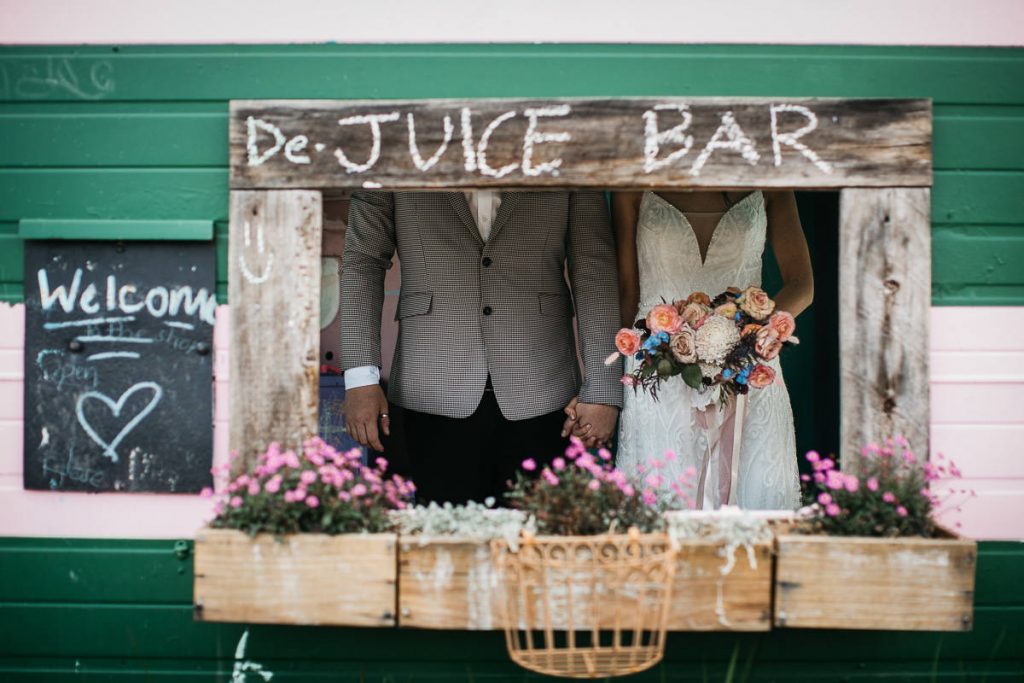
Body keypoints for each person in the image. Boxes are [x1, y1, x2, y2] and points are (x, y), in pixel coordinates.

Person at [341, 190, 622, 505]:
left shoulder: (570, 149)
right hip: (432, 383)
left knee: (538, 539)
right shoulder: (395, 147)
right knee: (444, 538)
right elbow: (362, 260)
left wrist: (603, 389)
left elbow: (594, 270)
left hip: (545, 383)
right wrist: (360, 376)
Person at [613, 190, 813, 509]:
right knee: (663, 501)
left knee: (753, 497)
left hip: (746, 364)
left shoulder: (772, 183)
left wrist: (748, 334)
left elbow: (802, 284)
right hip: (660, 371)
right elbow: (626, 289)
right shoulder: (634, 185)